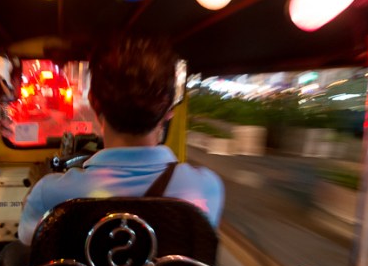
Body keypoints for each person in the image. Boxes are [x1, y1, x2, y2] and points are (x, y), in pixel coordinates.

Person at [17, 36, 224, 247]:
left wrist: (37, 187)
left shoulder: (50, 193)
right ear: (170, 109)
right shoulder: (206, 188)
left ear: (94, 103)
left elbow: (28, 240)